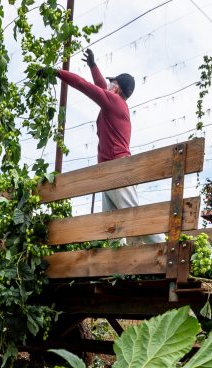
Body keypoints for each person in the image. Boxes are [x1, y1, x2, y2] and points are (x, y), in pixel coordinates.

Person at [54, 50, 161, 244]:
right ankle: (118, 270)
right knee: (111, 227)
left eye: (113, 82)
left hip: (118, 168)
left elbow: (84, 86)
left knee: (135, 218)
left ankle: (168, 247)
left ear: (117, 88)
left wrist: (58, 73)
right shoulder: (114, 102)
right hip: (108, 170)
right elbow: (102, 86)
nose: (108, 84)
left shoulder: (114, 102)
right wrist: (93, 67)